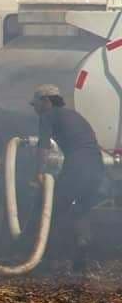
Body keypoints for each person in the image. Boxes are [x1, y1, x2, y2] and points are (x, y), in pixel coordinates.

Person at [30, 84, 106, 271]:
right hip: (97, 167)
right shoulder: (74, 115)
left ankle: (51, 260)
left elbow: (44, 146)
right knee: (81, 211)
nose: (35, 109)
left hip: (78, 167)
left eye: (37, 104)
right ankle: (82, 260)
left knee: (52, 210)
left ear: (46, 101)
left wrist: (39, 172)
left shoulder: (48, 116)